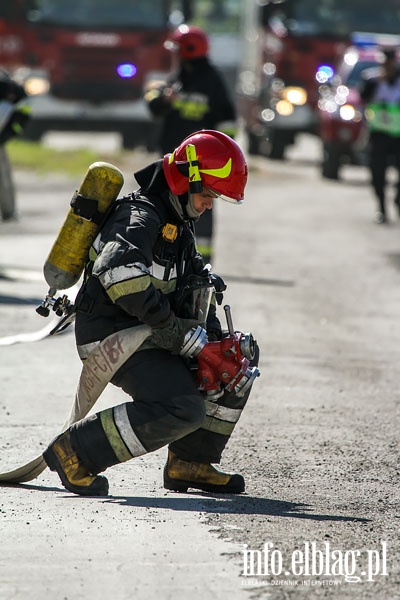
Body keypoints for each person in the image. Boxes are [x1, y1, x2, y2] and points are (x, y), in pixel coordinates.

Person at [43, 129, 259, 497]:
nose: (210, 204)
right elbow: (119, 278)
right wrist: (179, 334)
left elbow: (192, 286)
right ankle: (75, 451)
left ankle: (190, 462)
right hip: (113, 336)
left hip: (151, 332)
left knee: (236, 359)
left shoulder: (178, 225)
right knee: (182, 408)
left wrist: (210, 342)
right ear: (184, 180)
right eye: (207, 194)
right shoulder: (138, 218)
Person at [144, 24, 237, 263]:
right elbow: (154, 108)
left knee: (200, 208)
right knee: (167, 206)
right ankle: (166, 255)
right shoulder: (178, 78)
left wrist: (217, 153)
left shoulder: (211, 81)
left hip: (200, 164)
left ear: (188, 50)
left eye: (177, 50)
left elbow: (228, 122)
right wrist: (164, 99)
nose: (174, 54)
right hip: (174, 161)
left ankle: (200, 261)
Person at [359, 48, 400, 224]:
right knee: (377, 174)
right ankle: (382, 208)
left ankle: (398, 199)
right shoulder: (373, 80)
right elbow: (362, 98)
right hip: (379, 135)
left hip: (398, 136)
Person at [0, 69, 30, 221]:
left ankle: (9, 212)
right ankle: (9, 212)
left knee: (3, 176)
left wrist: (6, 135)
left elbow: (21, 112)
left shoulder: (8, 87)